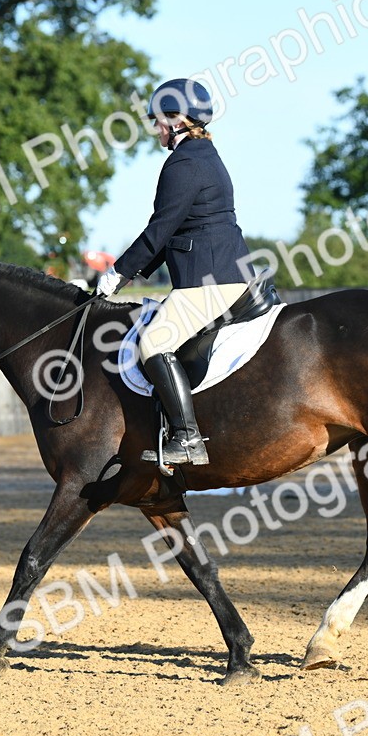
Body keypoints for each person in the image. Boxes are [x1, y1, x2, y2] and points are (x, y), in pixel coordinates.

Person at [95, 78, 252, 467]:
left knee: (153, 344)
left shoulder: (184, 162)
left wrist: (117, 273)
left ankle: (187, 438)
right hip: (218, 271)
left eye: (159, 121)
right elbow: (175, 231)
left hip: (209, 279)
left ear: (178, 120)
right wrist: (134, 272)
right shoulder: (204, 155)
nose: (155, 129)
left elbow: (160, 229)